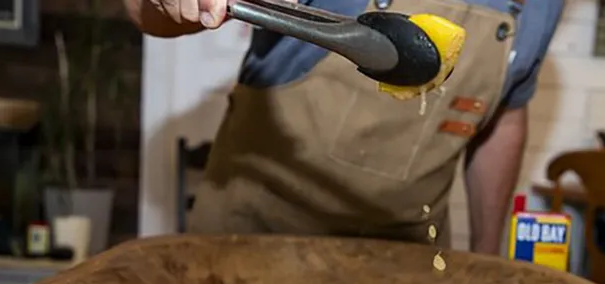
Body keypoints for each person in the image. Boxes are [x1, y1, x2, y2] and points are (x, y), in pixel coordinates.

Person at [124, 0, 563, 254]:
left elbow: (506, 110)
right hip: (257, 237)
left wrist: (483, 263)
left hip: (408, 257)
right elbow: (144, 14)